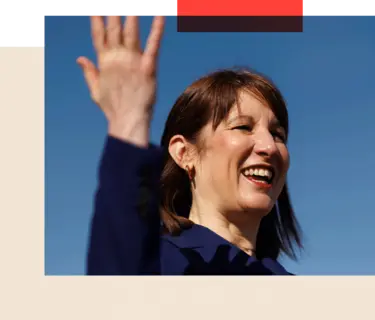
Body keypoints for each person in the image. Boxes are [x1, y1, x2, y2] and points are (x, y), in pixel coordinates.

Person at [80, 14, 303, 275]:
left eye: (277, 134)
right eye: (243, 127)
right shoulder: (161, 263)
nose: (269, 146)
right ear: (184, 153)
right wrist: (129, 120)